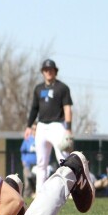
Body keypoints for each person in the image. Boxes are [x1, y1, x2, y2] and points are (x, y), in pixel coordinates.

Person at [24, 59, 73, 194]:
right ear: (43, 72)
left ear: (55, 71)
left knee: (63, 159)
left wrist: (68, 129)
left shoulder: (62, 88)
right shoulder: (38, 89)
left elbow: (67, 108)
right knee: (41, 163)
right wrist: (29, 126)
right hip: (42, 126)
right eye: (46, 70)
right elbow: (34, 109)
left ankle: (68, 190)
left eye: (50, 69)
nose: (48, 72)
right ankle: (40, 193)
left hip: (58, 125)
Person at [19, 124, 37, 198]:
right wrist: (23, 161)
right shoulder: (27, 139)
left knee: (37, 181)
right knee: (27, 182)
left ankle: (35, 195)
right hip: (28, 164)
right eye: (33, 129)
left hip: (38, 165)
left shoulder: (40, 139)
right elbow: (22, 151)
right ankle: (26, 197)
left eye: (36, 129)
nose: (34, 131)